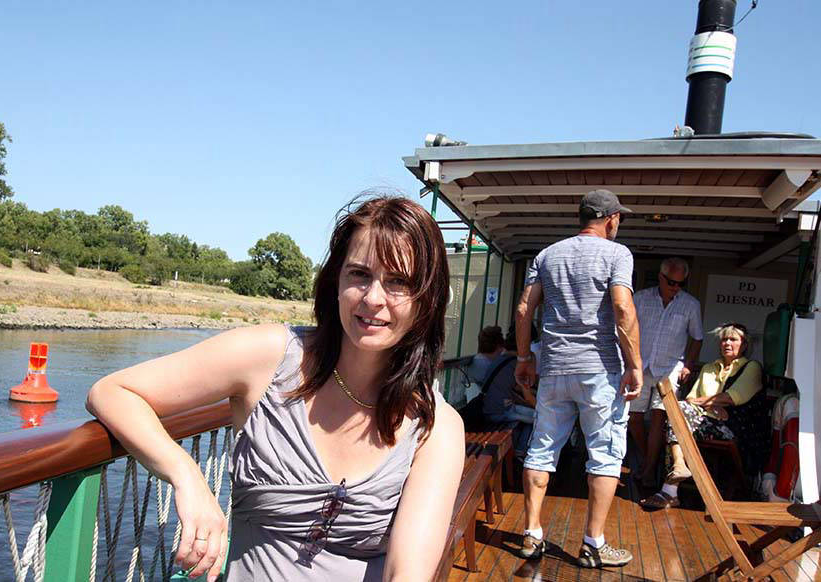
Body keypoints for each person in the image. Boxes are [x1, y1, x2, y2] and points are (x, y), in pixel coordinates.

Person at [86, 196, 465, 582]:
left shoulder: (436, 429)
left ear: (428, 299)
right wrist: (187, 477)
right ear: (335, 281)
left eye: (398, 282)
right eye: (359, 274)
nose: (373, 298)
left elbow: (407, 573)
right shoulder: (270, 357)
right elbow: (113, 392)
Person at [515, 189, 642, 569]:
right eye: (619, 218)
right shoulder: (617, 254)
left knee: (541, 450)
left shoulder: (546, 255)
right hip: (600, 371)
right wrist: (634, 364)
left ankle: (531, 535)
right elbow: (622, 308)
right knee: (604, 455)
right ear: (611, 219)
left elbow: (523, 309)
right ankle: (593, 544)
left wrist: (524, 358)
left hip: (554, 367)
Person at [641, 323, 763, 509]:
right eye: (724, 339)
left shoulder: (751, 367)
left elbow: (732, 398)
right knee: (679, 412)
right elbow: (690, 398)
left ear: (744, 344)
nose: (727, 343)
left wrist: (707, 403)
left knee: (678, 415)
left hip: (733, 427)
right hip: (702, 421)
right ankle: (678, 468)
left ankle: (670, 488)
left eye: (733, 339)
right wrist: (712, 405)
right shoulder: (709, 368)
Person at [629, 257, 703, 487]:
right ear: (660, 277)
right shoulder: (640, 298)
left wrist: (688, 364)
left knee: (659, 417)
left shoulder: (690, 304)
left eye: (681, 283)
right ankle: (648, 458)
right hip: (641, 365)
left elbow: (697, 337)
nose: (676, 287)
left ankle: (649, 470)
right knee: (634, 418)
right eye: (671, 282)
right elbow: (626, 329)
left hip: (670, 368)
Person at [482, 325, 536, 455]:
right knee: (540, 419)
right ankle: (521, 451)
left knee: (531, 415)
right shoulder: (518, 364)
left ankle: (520, 450)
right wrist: (545, 409)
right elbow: (528, 398)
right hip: (500, 412)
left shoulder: (501, 359)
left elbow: (512, 390)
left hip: (490, 408)